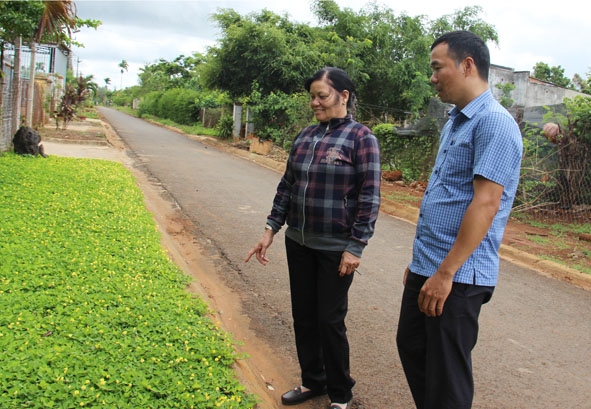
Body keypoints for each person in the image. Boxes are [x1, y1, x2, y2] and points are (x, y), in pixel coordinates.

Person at [396, 31, 523, 409]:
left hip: (459, 276)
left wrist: (445, 273)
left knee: (447, 378)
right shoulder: (456, 120)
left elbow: (485, 205)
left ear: (467, 65)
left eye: (438, 67)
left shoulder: (495, 124)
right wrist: (420, 265)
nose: (432, 77)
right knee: (413, 347)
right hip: (430, 266)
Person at [245, 67, 381, 409]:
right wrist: (270, 229)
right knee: (303, 316)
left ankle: (340, 393)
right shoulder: (305, 136)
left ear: (344, 96)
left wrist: (356, 246)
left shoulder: (361, 138)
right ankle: (312, 381)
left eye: (322, 96)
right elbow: (287, 186)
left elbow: (369, 197)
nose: (315, 103)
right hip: (300, 243)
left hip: (336, 248)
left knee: (329, 320)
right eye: (312, 97)